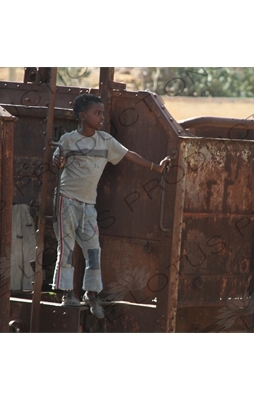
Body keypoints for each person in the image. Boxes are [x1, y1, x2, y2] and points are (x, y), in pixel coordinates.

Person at [52, 93, 171, 319]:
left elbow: (129, 155)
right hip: (66, 200)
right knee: (66, 249)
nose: (102, 117)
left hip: (88, 204)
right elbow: (56, 160)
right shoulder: (68, 140)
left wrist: (156, 167)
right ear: (82, 116)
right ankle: (66, 294)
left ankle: (91, 293)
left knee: (94, 251)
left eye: (102, 113)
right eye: (97, 113)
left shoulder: (105, 141)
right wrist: (58, 161)